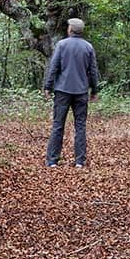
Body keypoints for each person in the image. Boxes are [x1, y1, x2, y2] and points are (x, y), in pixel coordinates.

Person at [43, 17, 99, 168]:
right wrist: (94, 90)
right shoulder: (88, 47)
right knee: (80, 126)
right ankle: (80, 161)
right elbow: (93, 71)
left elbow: (53, 67)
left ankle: (52, 161)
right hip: (81, 91)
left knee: (58, 125)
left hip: (62, 91)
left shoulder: (61, 45)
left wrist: (47, 86)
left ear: (70, 29)